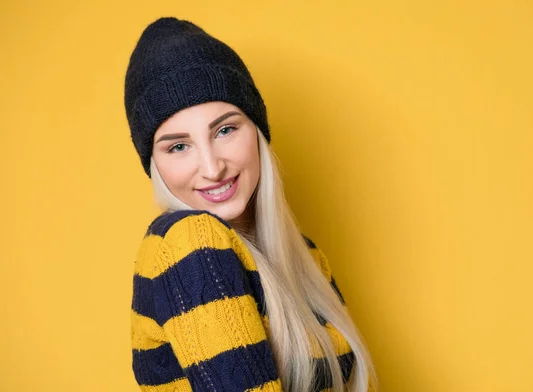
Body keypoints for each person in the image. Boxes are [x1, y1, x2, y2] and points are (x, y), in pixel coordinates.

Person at [124, 16, 378, 392]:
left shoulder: (306, 258)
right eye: (178, 146)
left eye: (225, 130)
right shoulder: (187, 244)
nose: (212, 168)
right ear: (155, 165)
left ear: (257, 131)